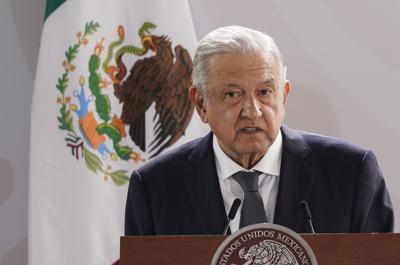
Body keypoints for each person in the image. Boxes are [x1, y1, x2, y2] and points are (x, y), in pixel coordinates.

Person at [125, 26, 393, 235]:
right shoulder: (155, 186)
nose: (252, 110)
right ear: (200, 104)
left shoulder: (350, 172)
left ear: (284, 95)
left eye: (265, 92)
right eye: (232, 94)